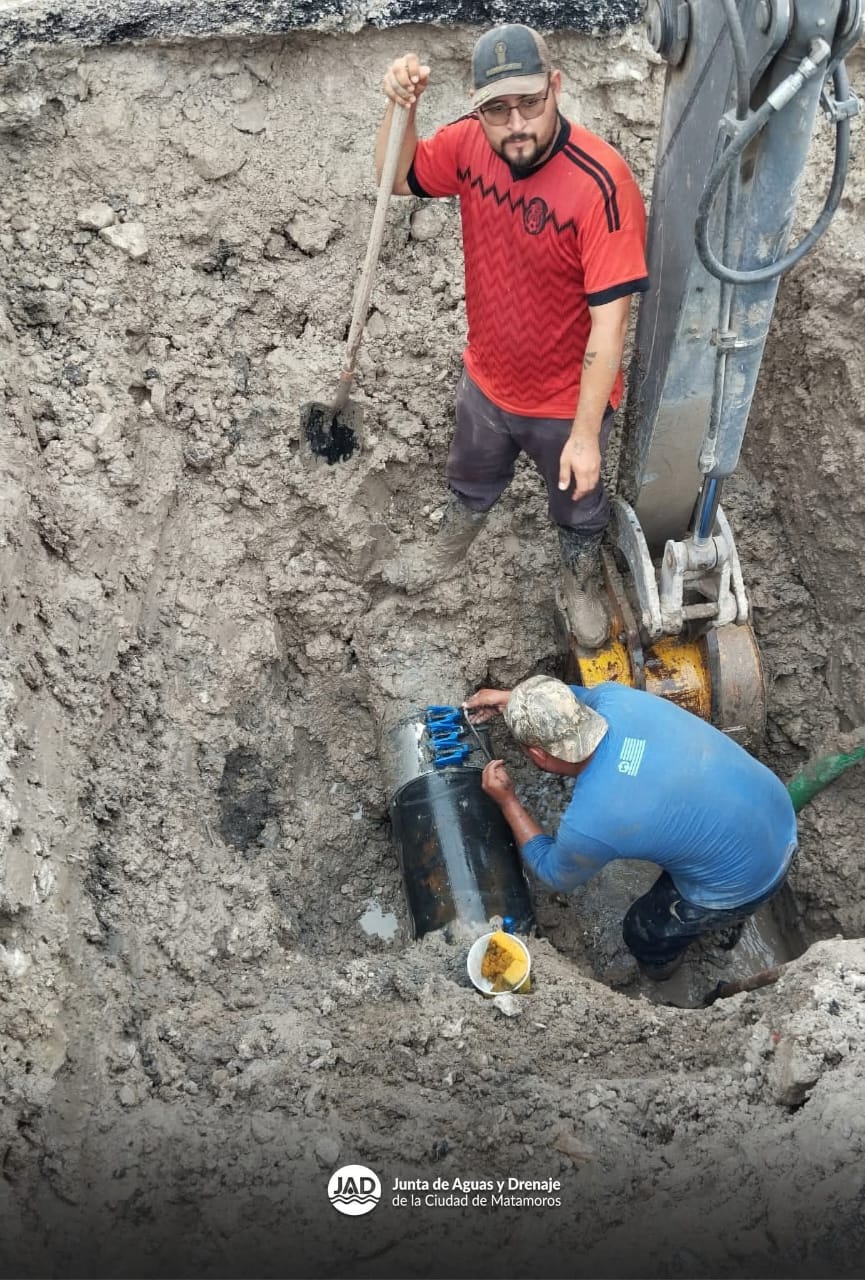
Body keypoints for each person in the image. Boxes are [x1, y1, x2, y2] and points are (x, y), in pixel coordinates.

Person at [375, 24, 649, 649]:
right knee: (471, 473)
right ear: (478, 108)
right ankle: (454, 537)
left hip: (562, 403)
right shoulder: (471, 146)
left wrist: (584, 436)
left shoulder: (602, 186)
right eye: (498, 109)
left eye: (531, 102)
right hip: (488, 376)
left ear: (556, 87)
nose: (516, 123)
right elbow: (395, 175)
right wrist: (402, 107)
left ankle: (579, 574)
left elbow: (611, 327)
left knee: (578, 501)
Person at [465, 675, 798, 980]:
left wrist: (508, 801)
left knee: (644, 930)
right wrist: (517, 698)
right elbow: (581, 698)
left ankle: (664, 971)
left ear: (538, 754)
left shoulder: (594, 818)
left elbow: (554, 872)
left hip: (746, 883)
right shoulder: (617, 699)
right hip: (777, 813)